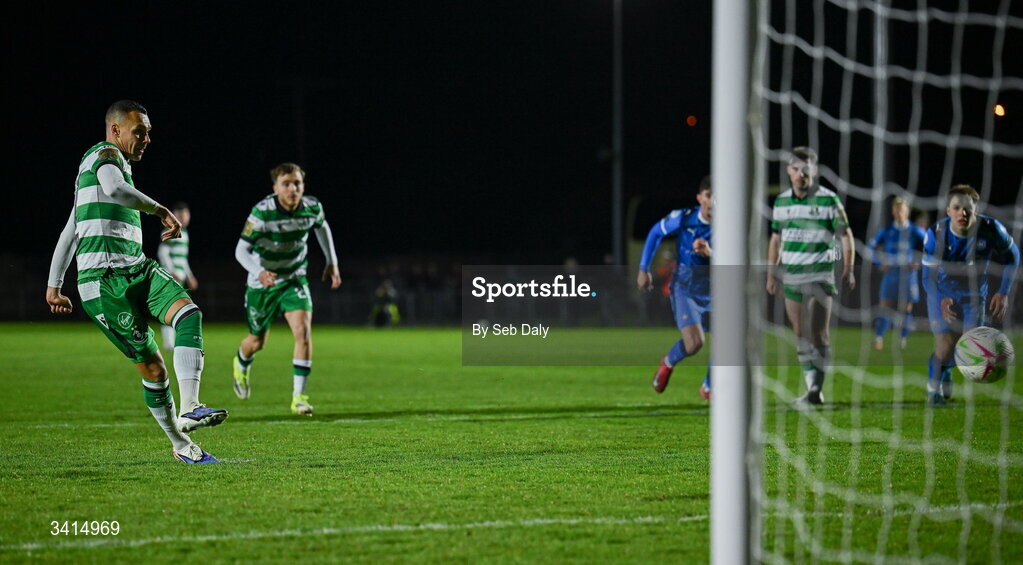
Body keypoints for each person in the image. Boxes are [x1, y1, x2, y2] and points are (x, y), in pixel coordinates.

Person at [45, 100, 227, 464]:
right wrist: (160, 209)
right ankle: (181, 445)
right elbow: (111, 193)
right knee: (154, 368)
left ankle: (191, 406)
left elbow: (71, 228)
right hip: (104, 281)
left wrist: (53, 284)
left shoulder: (116, 169)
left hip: (138, 268)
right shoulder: (103, 155)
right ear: (115, 130)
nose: (146, 139)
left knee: (189, 314)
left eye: (148, 132)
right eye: (139, 131)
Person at [232, 163, 342, 415]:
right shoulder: (262, 212)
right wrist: (258, 272)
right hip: (263, 282)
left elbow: (322, 226)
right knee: (257, 341)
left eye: (297, 184)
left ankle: (299, 398)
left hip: (294, 278)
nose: (293, 188)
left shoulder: (312, 207)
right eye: (286, 184)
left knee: (302, 332)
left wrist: (332, 262)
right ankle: (241, 362)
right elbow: (241, 250)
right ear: (275, 188)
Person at [766, 147, 855, 405]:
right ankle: (812, 389)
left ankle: (816, 389)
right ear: (788, 171)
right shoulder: (781, 202)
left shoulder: (829, 200)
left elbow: (846, 236)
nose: (800, 174)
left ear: (814, 171)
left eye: (805, 170)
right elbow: (775, 239)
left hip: (820, 275)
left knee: (819, 333)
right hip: (791, 276)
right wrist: (772, 272)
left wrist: (848, 269)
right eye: (795, 169)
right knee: (800, 333)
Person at [921, 184, 1019, 405]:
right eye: (956, 208)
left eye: (967, 208)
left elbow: (1013, 257)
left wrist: (1003, 292)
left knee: (967, 345)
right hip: (942, 294)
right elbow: (928, 277)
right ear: (948, 211)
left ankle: (945, 372)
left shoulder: (991, 228)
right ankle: (933, 387)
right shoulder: (936, 235)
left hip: (975, 297)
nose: (962, 213)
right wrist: (940, 299)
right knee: (945, 345)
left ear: (976, 208)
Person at [637, 175, 713, 398]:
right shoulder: (684, 218)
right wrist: (644, 269)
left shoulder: (730, 224)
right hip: (685, 288)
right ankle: (668, 362)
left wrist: (711, 253)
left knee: (729, 341)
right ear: (700, 198)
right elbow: (655, 232)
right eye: (709, 196)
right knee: (694, 343)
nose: (714, 201)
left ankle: (709, 386)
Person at [866, 197, 927, 350]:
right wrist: (879, 262)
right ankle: (879, 338)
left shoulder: (914, 230)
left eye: (903, 210)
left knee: (906, 308)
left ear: (907, 212)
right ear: (893, 212)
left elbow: (932, 246)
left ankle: (902, 340)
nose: (900, 213)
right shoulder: (886, 231)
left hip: (908, 273)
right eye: (897, 210)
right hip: (891, 273)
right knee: (885, 306)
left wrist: (920, 261)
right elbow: (869, 249)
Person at [157, 202, 198, 352]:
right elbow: (162, 251)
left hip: (179, 277)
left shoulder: (184, 234)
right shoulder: (171, 229)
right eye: (181, 215)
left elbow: (183, 260)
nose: (184, 218)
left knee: (179, 307)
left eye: (186, 215)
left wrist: (190, 276)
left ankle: (173, 341)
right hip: (170, 277)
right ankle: (169, 342)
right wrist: (171, 270)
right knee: (170, 307)